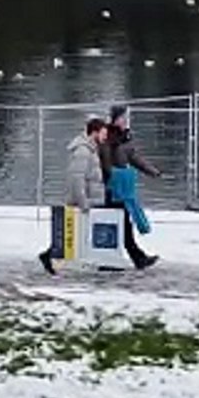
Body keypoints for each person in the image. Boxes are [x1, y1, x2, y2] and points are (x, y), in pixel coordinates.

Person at [38, 117, 109, 275]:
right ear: (94, 133)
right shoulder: (83, 151)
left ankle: (53, 256)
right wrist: (83, 201)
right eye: (103, 133)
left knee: (76, 233)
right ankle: (50, 256)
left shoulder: (90, 149)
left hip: (88, 199)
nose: (105, 137)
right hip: (83, 201)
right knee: (72, 234)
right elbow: (77, 178)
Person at [101, 104, 159, 269]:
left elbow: (134, 158)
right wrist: (109, 177)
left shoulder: (125, 137)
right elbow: (104, 162)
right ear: (115, 119)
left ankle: (132, 258)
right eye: (122, 117)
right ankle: (116, 260)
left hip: (122, 188)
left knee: (123, 223)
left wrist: (152, 171)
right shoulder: (107, 137)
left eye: (126, 117)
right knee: (116, 223)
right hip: (111, 188)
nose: (125, 120)